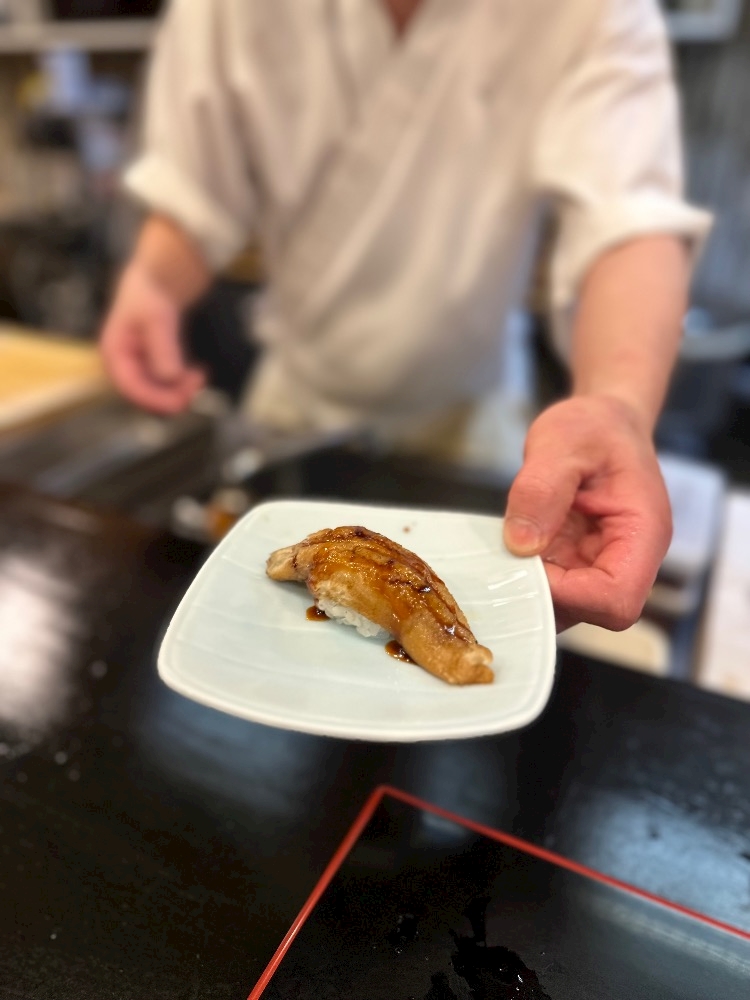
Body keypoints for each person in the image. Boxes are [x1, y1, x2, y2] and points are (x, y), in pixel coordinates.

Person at [100, 0, 711, 633]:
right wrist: (154, 283)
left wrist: (617, 403)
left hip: (469, 421)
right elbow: (197, 182)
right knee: (266, 636)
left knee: (475, 646)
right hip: (295, 407)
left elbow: (628, 220)